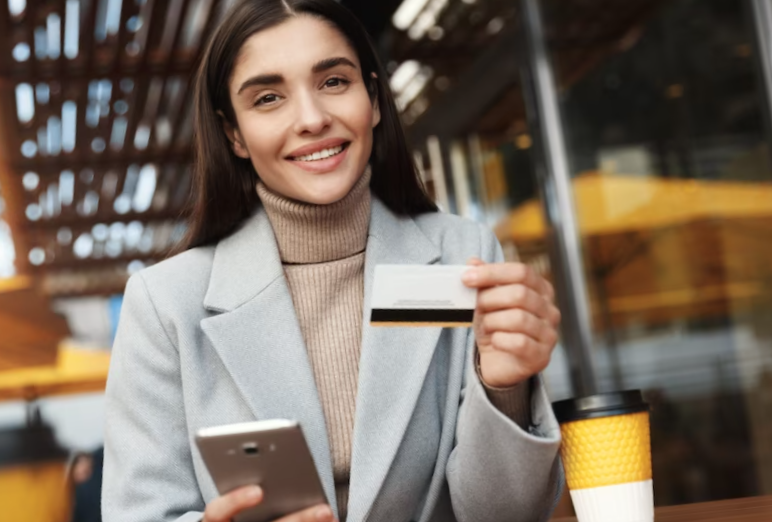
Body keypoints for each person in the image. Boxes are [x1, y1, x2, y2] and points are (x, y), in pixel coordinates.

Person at [102, 1, 563, 521]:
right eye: (269, 98)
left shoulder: (463, 257)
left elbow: (505, 515)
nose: (312, 119)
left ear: (373, 100)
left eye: (334, 83)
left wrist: (504, 390)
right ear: (234, 134)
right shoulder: (167, 305)